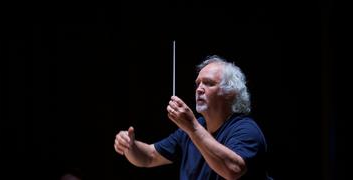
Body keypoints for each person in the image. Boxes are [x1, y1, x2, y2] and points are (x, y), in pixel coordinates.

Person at [114, 55, 270, 179]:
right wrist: (130, 146)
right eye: (198, 83)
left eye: (208, 83)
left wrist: (192, 127)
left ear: (230, 93)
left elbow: (233, 170)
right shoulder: (192, 128)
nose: (199, 89)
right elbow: (149, 157)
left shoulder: (246, 129)